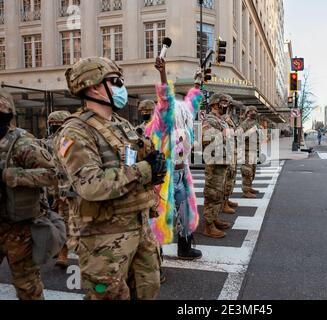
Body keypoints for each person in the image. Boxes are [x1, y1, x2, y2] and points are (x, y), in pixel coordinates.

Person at [54, 57, 167, 300]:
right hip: (103, 238)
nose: (121, 88)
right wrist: (146, 170)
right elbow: (91, 185)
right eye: (115, 82)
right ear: (94, 86)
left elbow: (138, 156)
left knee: (148, 289)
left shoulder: (121, 124)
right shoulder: (75, 131)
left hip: (138, 225)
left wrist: (155, 161)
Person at [0, 89, 58, 300]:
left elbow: (53, 174)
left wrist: (11, 175)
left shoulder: (21, 142)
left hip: (19, 230)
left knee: (27, 287)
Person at [145, 57, 202, 261]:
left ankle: (185, 248)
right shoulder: (161, 125)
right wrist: (163, 73)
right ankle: (155, 257)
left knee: (185, 212)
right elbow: (166, 99)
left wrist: (198, 83)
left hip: (181, 173)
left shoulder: (184, 118)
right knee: (159, 216)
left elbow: (192, 104)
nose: (182, 117)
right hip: (165, 177)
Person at [202, 93, 233, 238]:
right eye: (223, 102)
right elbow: (206, 139)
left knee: (219, 192)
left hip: (223, 161)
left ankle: (214, 218)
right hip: (215, 162)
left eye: (227, 103)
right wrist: (223, 134)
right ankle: (208, 226)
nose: (226, 105)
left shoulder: (222, 121)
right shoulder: (209, 119)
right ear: (215, 104)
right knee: (212, 193)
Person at [44, 110, 72, 268]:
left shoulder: (68, 142)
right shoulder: (49, 142)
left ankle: (64, 254)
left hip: (68, 192)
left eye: (57, 125)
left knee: (69, 225)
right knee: (60, 224)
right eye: (52, 125)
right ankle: (62, 253)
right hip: (55, 192)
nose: (55, 128)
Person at [222, 98, 241, 215]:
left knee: (231, 178)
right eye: (227, 105)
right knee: (225, 179)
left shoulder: (229, 118)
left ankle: (227, 200)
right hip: (226, 153)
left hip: (232, 152)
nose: (228, 107)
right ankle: (223, 203)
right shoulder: (221, 119)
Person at [239, 106, 261, 199]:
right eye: (251, 111)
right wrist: (251, 131)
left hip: (253, 150)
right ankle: (246, 191)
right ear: (247, 113)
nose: (253, 113)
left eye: (255, 111)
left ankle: (249, 187)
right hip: (246, 151)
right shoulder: (244, 124)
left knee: (253, 171)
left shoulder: (255, 123)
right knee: (247, 172)